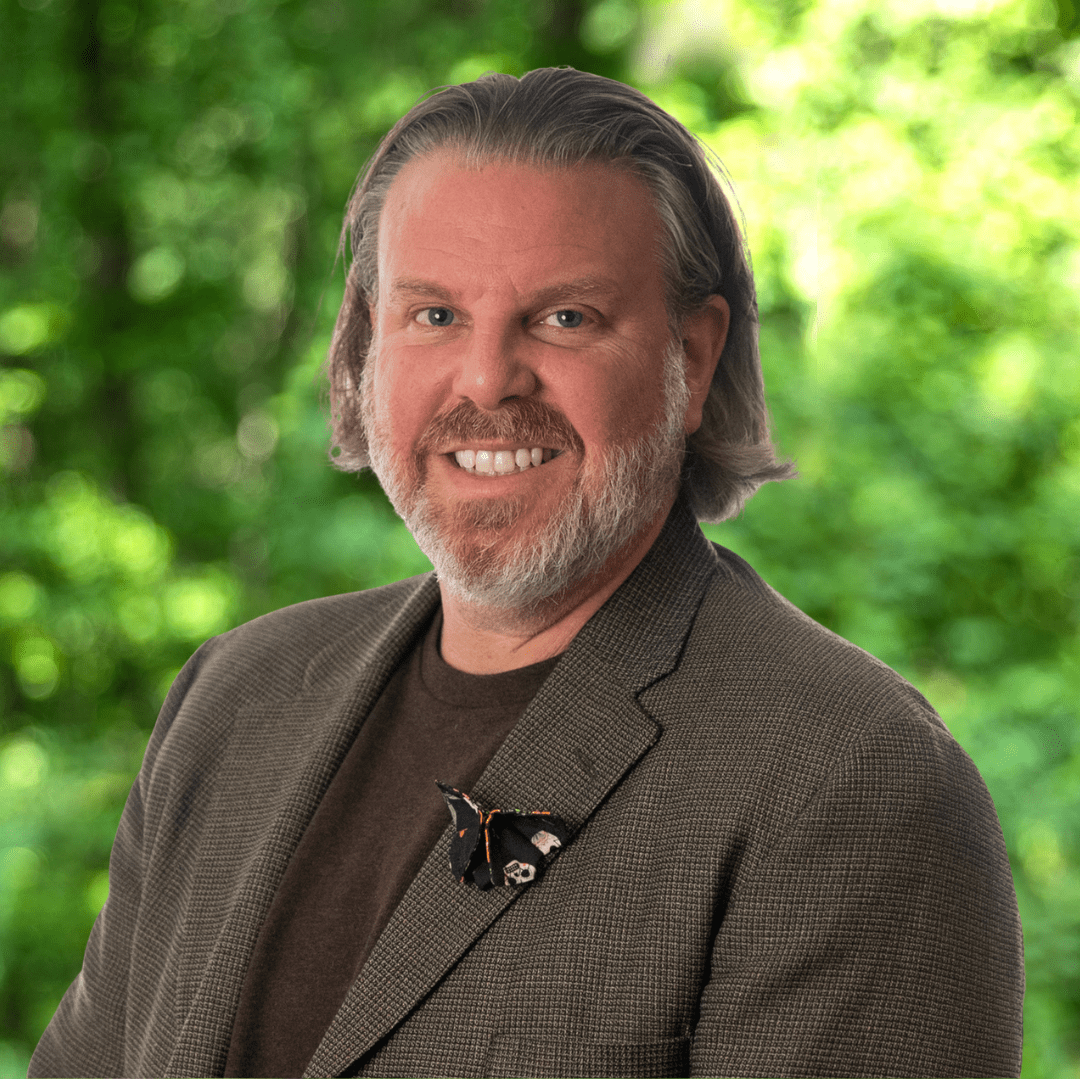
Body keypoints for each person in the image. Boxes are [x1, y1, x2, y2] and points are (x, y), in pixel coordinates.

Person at [30, 68, 1023, 1079]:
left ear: (692, 354)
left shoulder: (849, 780)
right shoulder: (235, 701)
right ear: (365, 353)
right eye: (434, 317)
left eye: (565, 319)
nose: (487, 378)